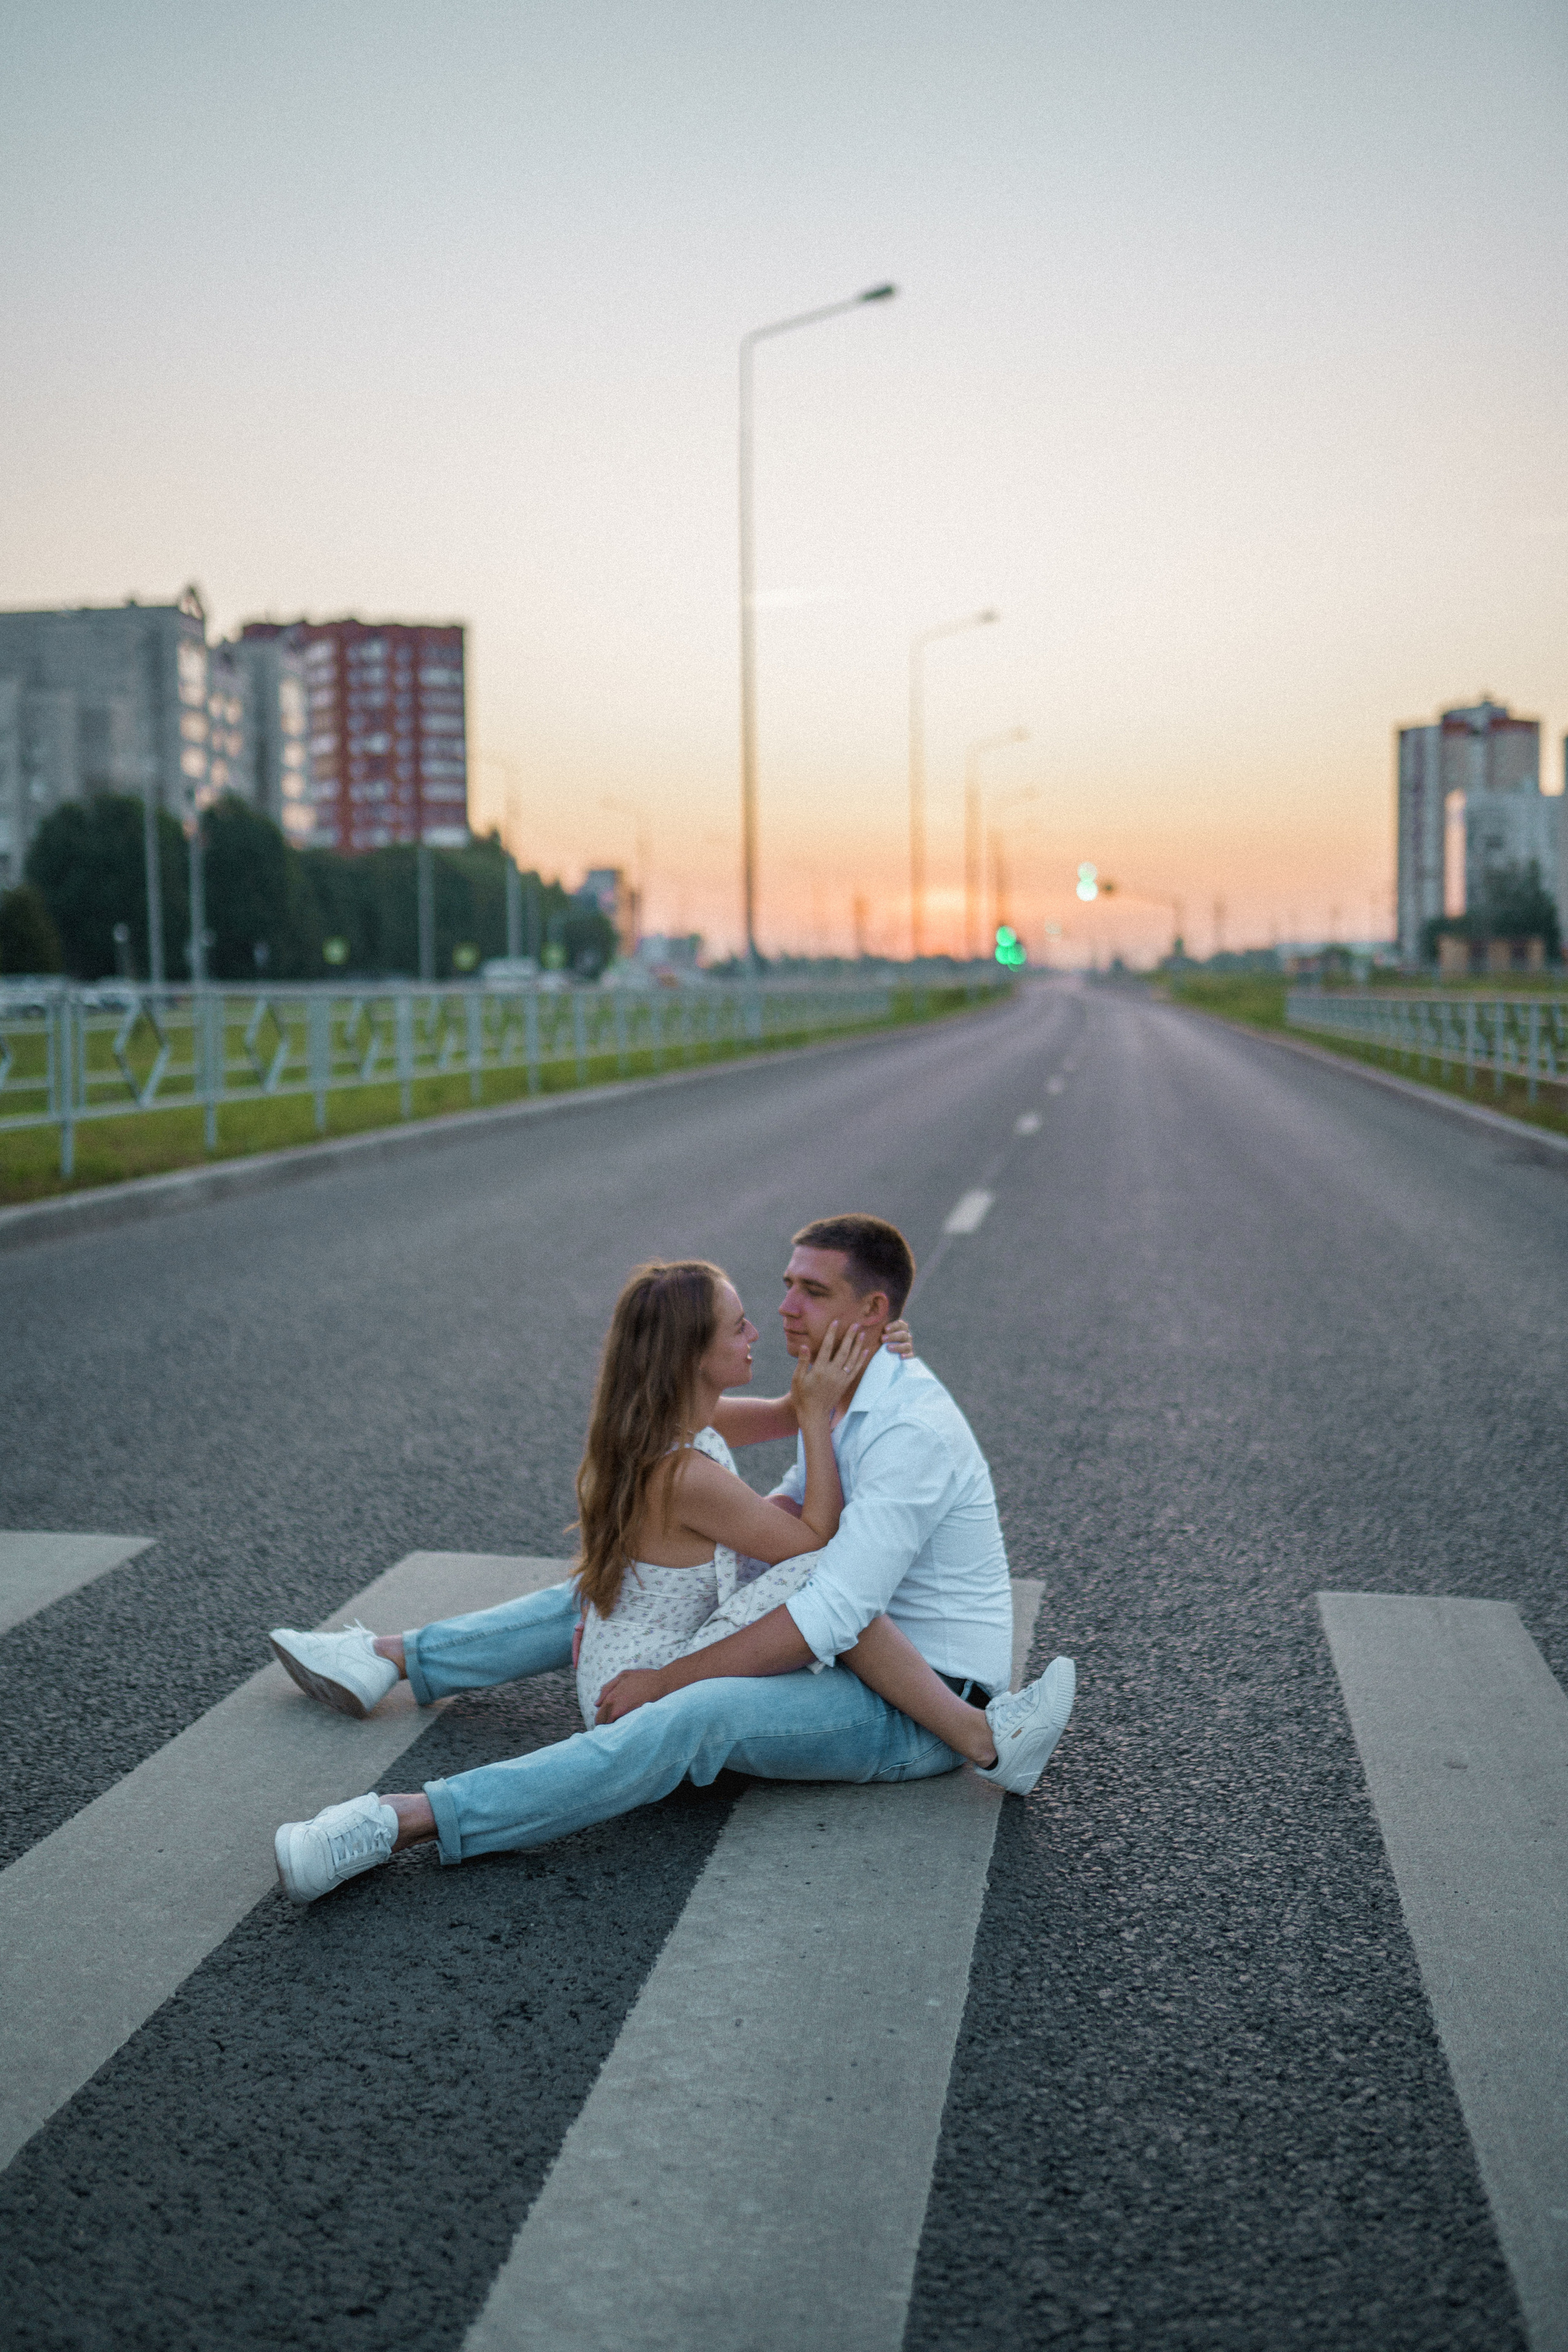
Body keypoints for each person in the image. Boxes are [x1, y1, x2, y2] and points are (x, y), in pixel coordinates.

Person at [271, 1215, 1075, 1904]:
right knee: (632, 1585)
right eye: (784, 1285)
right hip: (843, 1639)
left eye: (813, 1294)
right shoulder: (836, 1396)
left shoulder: (909, 1431)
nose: (784, 1310)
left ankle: (400, 1820)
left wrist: (665, 1679)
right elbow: (795, 1509)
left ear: (871, 1311)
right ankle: (391, 1658)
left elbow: (831, 1604)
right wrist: (799, 1433)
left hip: (914, 1703)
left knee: (699, 1704)